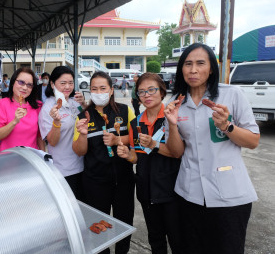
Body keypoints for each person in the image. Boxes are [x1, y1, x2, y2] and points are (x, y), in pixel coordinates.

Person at [164, 43, 260, 254]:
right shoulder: (175, 103)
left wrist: (227, 126)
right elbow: (176, 152)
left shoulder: (232, 95)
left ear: (211, 68)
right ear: (181, 69)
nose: (193, 70)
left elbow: (253, 141)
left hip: (229, 196)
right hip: (190, 194)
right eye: (188, 64)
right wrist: (172, 124)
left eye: (200, 63)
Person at [117, 72, 183, 254]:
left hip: (173, 191)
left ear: (162, 92)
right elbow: (137, 157)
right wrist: (127, 155)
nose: (146, 95)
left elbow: (179, 153)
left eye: (151, 90)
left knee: (178, 239)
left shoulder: (173, 118)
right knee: (155, 239)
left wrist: (154, 144)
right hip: (146, 191)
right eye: (141, 92)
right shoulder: (135, 123)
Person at [72, 71, 135, 254]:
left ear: (111, 90)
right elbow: (79, 151)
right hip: (95, 182)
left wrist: (117, 140)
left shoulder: (124, 111)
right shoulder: (83, 116)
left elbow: (134, 138)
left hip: (123, 179)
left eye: (102, 88)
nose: (98, 92)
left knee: (124, 222)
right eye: (94, 89)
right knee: (99, 226)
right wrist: (83, 134)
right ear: (89, 92)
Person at [38, 66, 86, 199]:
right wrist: (56, 122)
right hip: (64, 170)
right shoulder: (48, 108)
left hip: (83, 165)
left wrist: (84, 104)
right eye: (63, 83)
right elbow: (52, 141)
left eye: (70, 83)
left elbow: (87, 120)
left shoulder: (74, 103)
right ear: (52, 84)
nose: (68, 87)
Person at [0, 67, 45, 152]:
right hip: (8, 159)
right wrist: (14, 122)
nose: (24, 88)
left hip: (31, 158)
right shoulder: (0, 104)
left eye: (29, 85)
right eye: (21, 82)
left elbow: (39, 136)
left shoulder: (38, 106)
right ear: (12, 82)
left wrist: (44, 157)